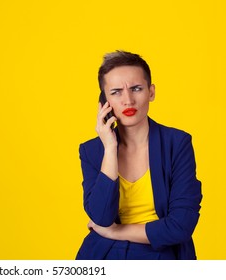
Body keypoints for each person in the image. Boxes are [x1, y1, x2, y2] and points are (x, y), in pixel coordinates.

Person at [75, 50, 202, 260]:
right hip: (103, 254)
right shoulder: (92, 151)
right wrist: (109, 149)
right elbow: (101, 216)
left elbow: (181, 225)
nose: (128, 100)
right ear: (104, 102)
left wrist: (114, 231)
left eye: (136, 89)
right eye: (115, 92)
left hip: (161, 254)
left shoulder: (177, 144)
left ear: (151, 92)